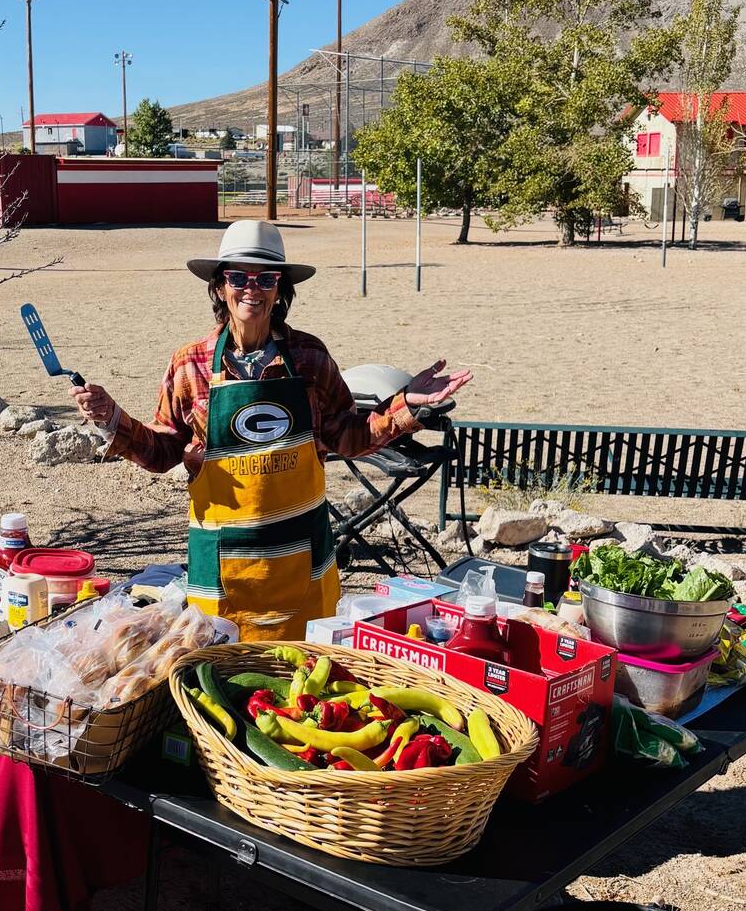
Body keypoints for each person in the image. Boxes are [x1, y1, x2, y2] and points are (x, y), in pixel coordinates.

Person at [71, 220, 471, 640]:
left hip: (302, 565)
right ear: (220, 287)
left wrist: (405, 404)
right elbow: (165, 450)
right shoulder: (189, 363)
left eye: (266, 278)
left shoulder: (310, 357)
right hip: (222, 568)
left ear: (280, 289)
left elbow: (349, 437)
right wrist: (112, 419)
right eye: (238, 277)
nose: (252, 289)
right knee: (220, 677)